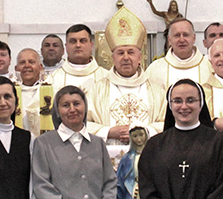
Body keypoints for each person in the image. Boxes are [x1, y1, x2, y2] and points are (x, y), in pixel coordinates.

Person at [87, 7, 166, 143]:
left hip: (148, 155)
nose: (125, 57)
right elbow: (82, 124)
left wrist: (146, 132)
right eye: (120, 53)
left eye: (130, 52)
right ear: (112, 58)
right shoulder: (97, 90)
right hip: (108, 156)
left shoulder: (156, 90)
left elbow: (168, 123)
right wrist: (108, 132)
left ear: (140, 57)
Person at [146, 17, 213, 89]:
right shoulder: (155, 69)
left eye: (186, 35)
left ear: (194, 38)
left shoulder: (209, 66)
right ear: (169, 40)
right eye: (177, 35)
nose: (181, 40)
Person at [47, 24, 107, 94]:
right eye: (73, 41)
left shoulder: (106, 77)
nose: (78, 45)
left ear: (91, 45)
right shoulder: (52, 79)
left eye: (83, 41)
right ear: (66, 46)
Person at [14, 48, 50, 135]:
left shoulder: (50, 89)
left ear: (40, 67)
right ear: (16, 68)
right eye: (22, 62)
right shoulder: (11, 92)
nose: (27, 65)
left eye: (31, 62)